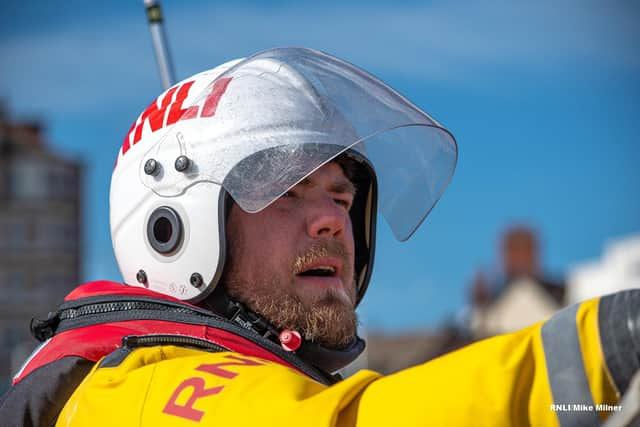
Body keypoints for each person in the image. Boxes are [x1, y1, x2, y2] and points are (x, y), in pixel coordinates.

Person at [0, 47, 638, 427]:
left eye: (341, 196)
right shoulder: (130, 395)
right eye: (286, 192)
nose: (333, 220)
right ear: (174, 230)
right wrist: (607, 345)